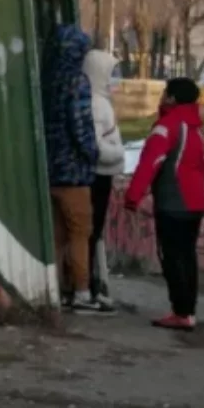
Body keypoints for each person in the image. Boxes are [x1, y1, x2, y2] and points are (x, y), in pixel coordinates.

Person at [122, 77, 204, 331]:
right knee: (187, 257)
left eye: (164, 93)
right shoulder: (197, 128)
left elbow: (149, 163)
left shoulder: (167, 126)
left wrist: (133, 197)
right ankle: (188, 311)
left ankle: (180, 312)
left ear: (171, 98)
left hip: (173, 202)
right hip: (195, 203)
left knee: (172, 258)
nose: (161, 97)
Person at [42, 24, 101, 313]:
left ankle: (56, 288)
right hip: (73, 173)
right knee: (80, 233)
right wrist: (91, 154)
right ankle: (80, 291)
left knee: (57, 235)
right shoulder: (76, 81)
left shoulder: (45, 78)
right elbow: (80, 126)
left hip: (49, 170)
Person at [83, 49, 124, 310]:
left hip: (101, 175)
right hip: (98, 175)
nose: (116, 80)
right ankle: (88, 285)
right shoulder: (96, 105)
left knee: (94, 232)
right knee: (91, 231)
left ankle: (92, 282)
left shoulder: (99, 101)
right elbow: (95, 146)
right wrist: (119, 152)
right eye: (111, 73)